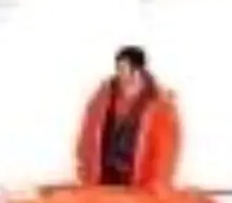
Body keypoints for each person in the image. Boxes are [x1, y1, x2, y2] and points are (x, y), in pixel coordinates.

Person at [75, 46, 181, 188]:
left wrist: (157, 182)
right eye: (118, 68)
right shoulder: (102, 98)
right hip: (104, 176)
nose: (120, 73)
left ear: (137, 70)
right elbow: (87, 136)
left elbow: (166, 149)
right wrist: (85, 173)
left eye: (123, 68)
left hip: (140, 182)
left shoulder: (159, 104)